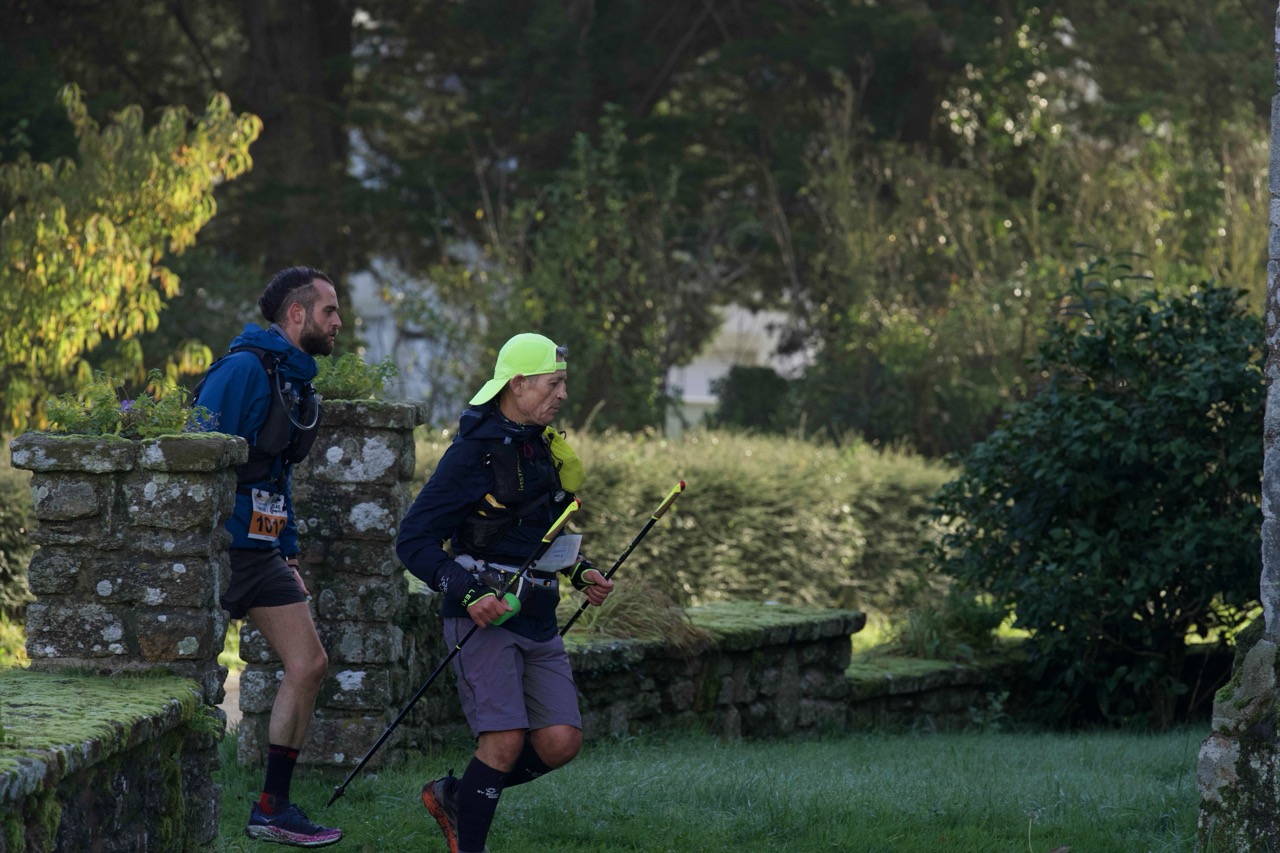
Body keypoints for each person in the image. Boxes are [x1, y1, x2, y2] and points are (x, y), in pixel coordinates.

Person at [397, 333, 614, 853]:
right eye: (553, 383)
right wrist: (469, 593)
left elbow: (540, 537)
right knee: (504, 739)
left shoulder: (542, 448)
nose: (563, 394)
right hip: (483, 620)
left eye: (563, 383)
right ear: (517, 384)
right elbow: (413, 540)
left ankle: (456, 796)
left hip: (537, 616)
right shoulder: (472, 452)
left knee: (561, 741)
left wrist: (581, 571)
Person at [194, 266, 344, 847]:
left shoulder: (295, 381)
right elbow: (196, 454)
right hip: (216, 550)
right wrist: (206, 543)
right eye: (329, 311)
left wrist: (289, 552)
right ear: (297, 315)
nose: (338, 322)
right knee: (182, 679)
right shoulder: (242, 370)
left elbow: (276, 476)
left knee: (309, 664)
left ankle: (272, 808)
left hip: (262, 555)